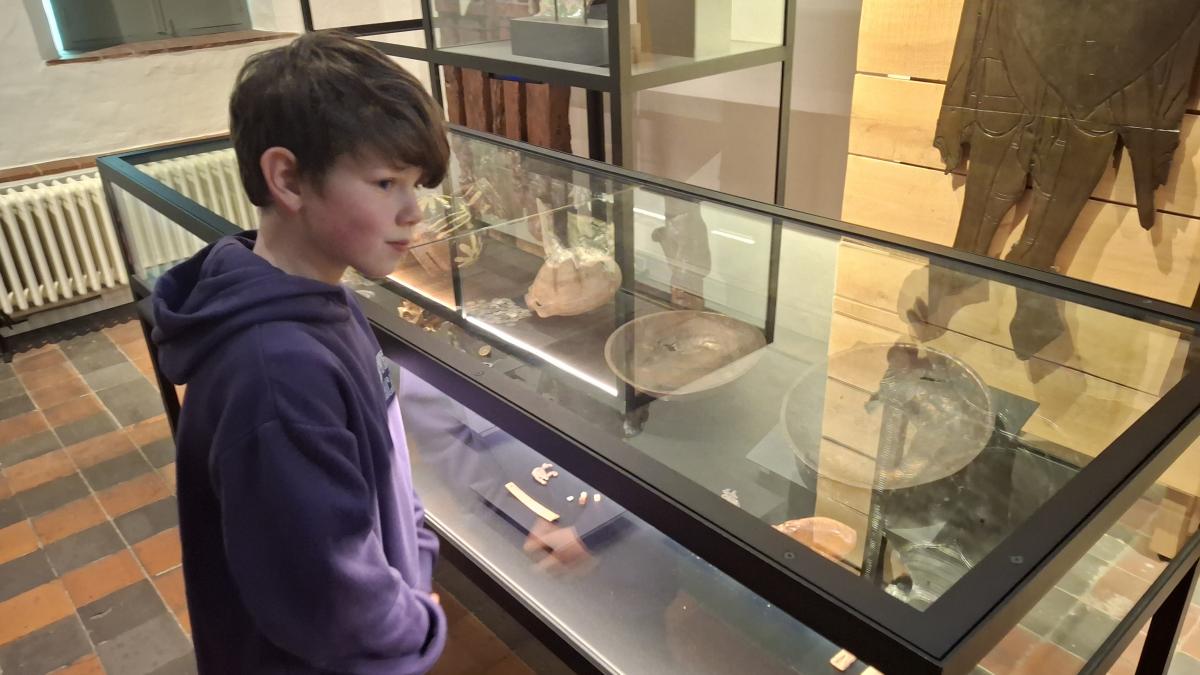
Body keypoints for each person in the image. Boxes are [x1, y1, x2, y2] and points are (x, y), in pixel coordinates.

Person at [151, 31, 449, 674]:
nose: (413, 212)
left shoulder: (325, 301)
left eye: (415, 184)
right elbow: (326, 598)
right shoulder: (276, 373)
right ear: (287, 178)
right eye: (386, 182)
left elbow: (385, 462)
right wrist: (415, 623)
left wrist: (414, 564)